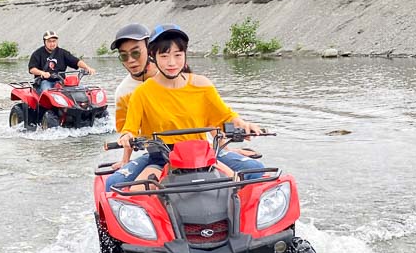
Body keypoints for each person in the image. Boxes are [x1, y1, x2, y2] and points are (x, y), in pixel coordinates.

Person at [115, 24, 264, 184]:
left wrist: (243, 125)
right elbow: (129, 128)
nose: (171, 63)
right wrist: (126, 136)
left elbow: (224, 116)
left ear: (185, 54)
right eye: (164, 56)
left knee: (255, 171)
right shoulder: (141, 93)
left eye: (178, 55)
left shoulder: (202, 85)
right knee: (115, 184)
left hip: (201, 155)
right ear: (153, 56)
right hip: (161, 158)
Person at [103, 24, 158, 190]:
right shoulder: (123, 92)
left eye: (136, 52)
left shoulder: (171, 75)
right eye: (124, 56)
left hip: (194, 149)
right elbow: (127, 130)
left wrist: (224, 147)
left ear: (149, 49)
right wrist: (125, 161)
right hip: (158, 153)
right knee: (112, 185)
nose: (131, 60)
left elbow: (207, 112)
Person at [28, 30, 96, 94]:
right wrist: (42, 73)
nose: (52, 43)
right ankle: (46, 105)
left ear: (57, 41)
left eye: (54, 41)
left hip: (61, 81)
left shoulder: (62, 53)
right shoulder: (37, 53)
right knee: (47, 91)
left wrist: (87, 67)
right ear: (44, 42)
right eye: (49, 41)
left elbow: (76, 61)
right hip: (45, 81)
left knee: (81, 89)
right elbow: (32, 69)